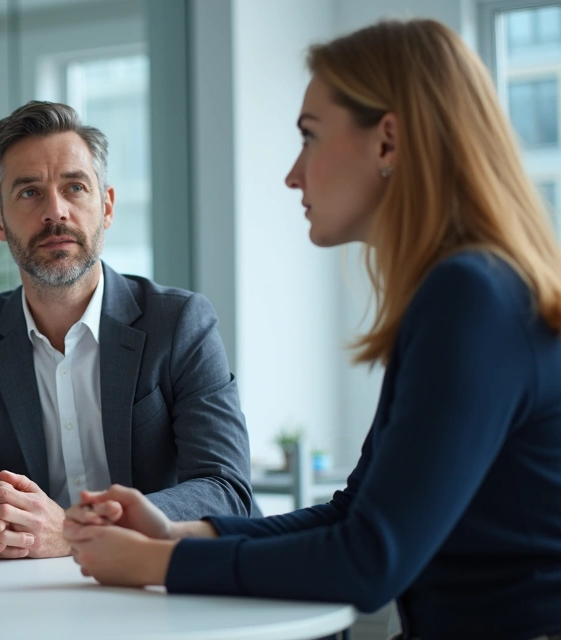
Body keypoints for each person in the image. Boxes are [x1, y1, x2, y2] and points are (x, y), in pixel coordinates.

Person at [65, 19, 561, 640]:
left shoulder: (471, 297)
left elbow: (368, 561)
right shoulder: (469, 289)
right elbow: (355, 515)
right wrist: (179, 532)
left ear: (388, 142)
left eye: (309, 138)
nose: (293, 174)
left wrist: (158, 563)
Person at [0, 100, 254, 560]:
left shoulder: (181, 323)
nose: (56, 211)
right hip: (30, 600)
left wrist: (74, 529)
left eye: (75, 187)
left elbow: (225, 487)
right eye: (29, 192)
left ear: (106, 207)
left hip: (162, 583)